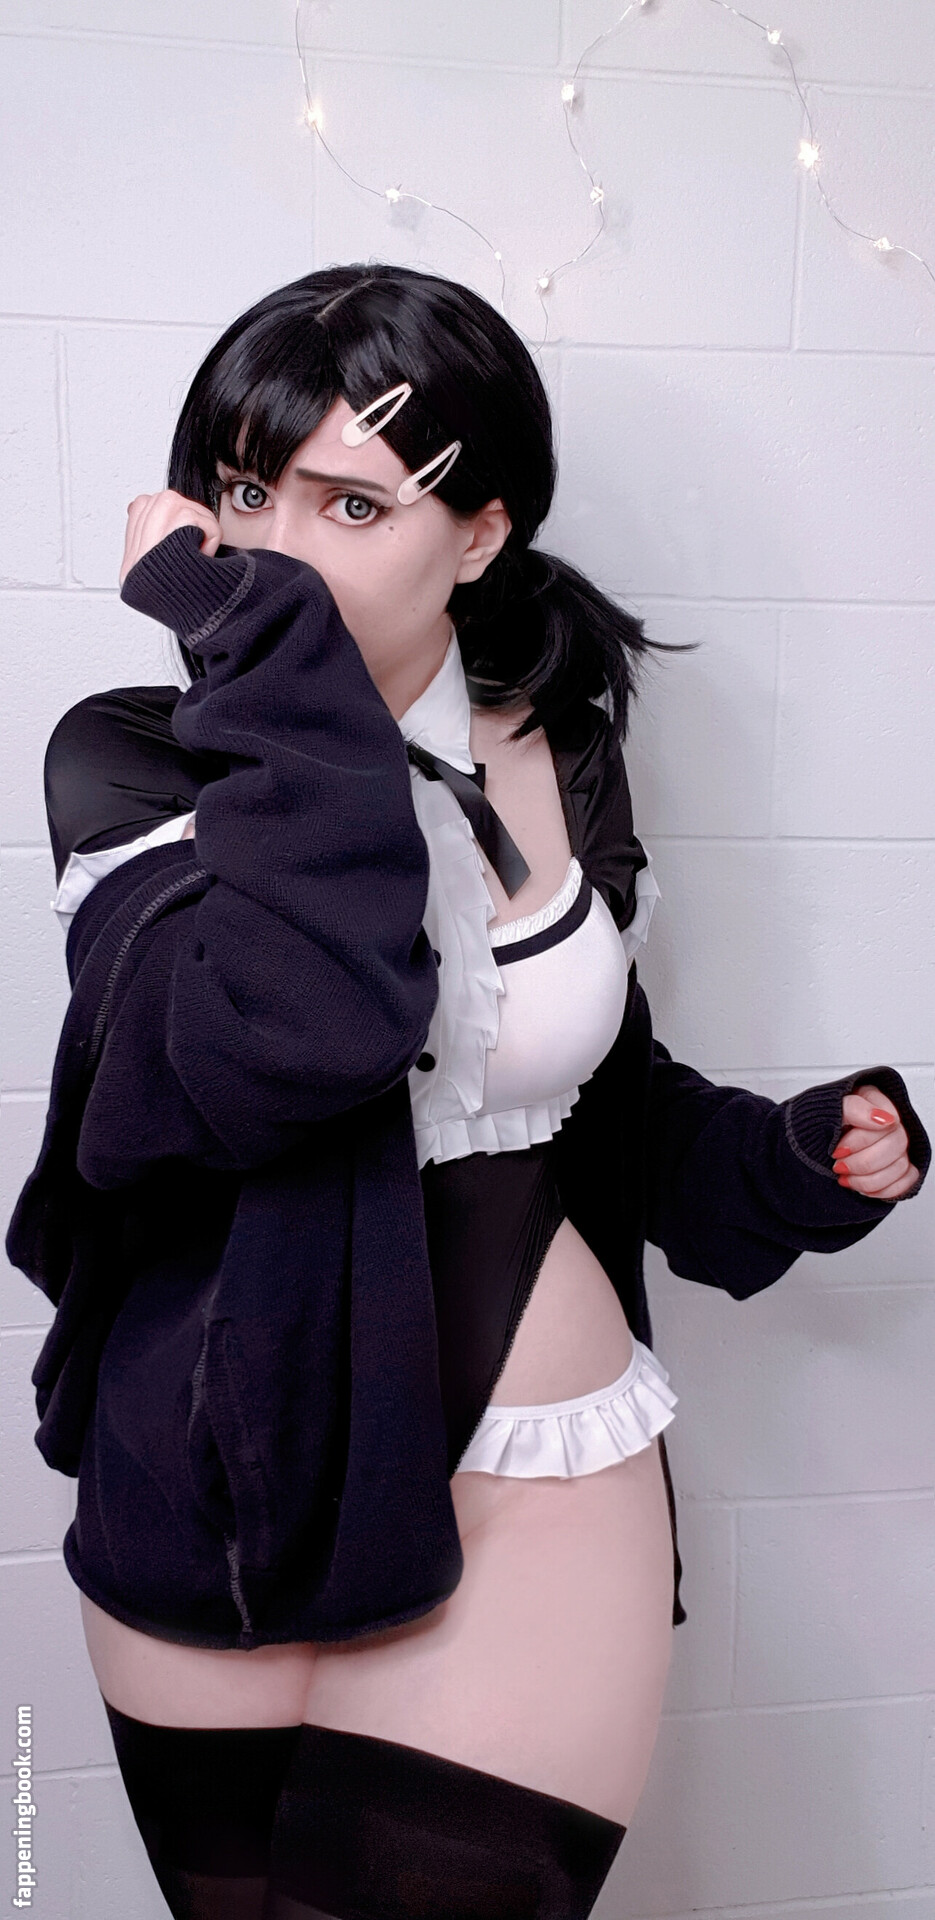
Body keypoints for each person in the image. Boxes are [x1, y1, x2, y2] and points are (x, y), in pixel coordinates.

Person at [7, 263, 929, 1920]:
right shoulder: (130, 757)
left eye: (352, 503)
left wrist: (782, 1161)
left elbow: (593, 1102)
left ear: (482, 533)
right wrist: (261, 662)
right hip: (227, 1469)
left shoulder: (559, 754)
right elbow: (293, 1038)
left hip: (532, 1460)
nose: (276, 550)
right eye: (243, 493)